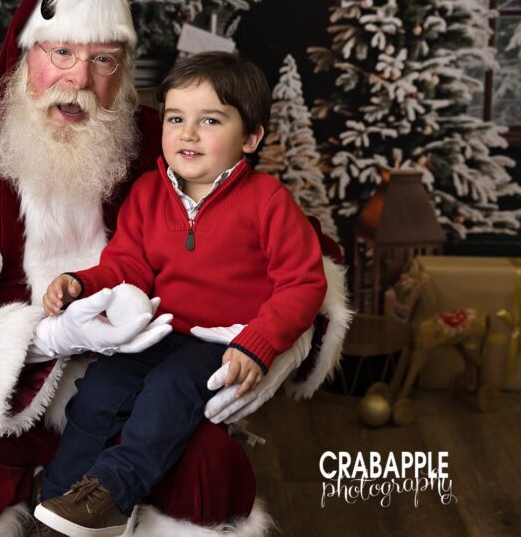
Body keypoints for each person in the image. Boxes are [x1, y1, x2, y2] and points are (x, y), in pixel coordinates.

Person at [0, 0, 350, 537]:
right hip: (2, 392)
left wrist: (262, 351)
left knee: (210, 472)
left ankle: (74, 508)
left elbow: (303, 257)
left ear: (124, 69)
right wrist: (52, 336)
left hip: (143, 375)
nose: (79, 80)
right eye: (60, 53)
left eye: (102, 60)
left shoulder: (162, 142)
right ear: (26, 54)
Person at [34, 53, 328, 537]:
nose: (187, 134)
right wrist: (82, 282)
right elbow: (128, 264)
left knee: (167, 392)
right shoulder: (150, 193)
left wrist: (258, 343)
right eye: (176, 119)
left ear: (250, 137)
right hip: (161, 332)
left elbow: (304, 282)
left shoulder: (268, 201)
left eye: (210, 120)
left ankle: (113, 490)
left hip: (221, 341)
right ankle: (58, 509)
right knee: (99, 392)